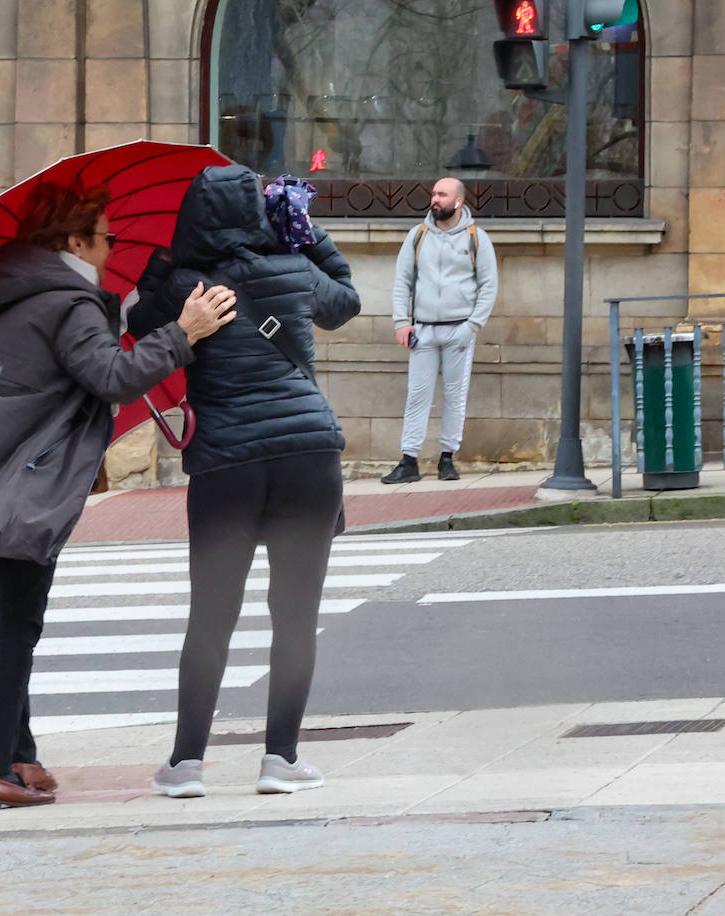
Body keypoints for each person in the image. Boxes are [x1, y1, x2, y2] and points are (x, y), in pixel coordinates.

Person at [0, 182, 238, 810]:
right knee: (17, 623)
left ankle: (19, 754)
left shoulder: (10, 296)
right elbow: (113, 376)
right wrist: (184, 332)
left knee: (10, 618)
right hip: (19, 480)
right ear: (74, 242)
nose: (112, 248)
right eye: (107, 237)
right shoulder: (66, 302)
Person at [126, 165, 361, 798]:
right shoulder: (292, 269)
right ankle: (280, 759)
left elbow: (136, 320)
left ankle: (186, 765)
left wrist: (165, 260)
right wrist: (306, 233)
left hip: (227, 464)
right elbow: (346, 300)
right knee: (294, 615)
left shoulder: (182, 286)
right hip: (308, 457)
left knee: (212, 616)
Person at [381, 177, 497, 484]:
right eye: (434, 193)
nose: (435, 199)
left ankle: (448, 459)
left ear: (458, 201)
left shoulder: (477, 238)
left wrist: (473, 325)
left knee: (455, 396)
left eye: (442, 194)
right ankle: (409, 461)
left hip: (460, 330)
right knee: (417, 396)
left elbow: (489, 286)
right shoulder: (417, 236)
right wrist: (401, 322)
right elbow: (402, 282)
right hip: (423, 331)